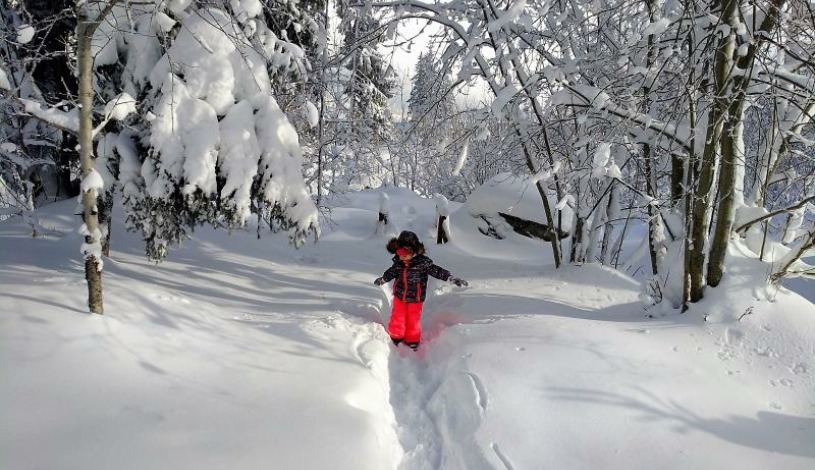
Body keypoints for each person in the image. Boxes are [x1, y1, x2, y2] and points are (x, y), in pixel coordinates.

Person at [374, 230, 468, 350]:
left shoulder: (423, 264)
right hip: (400, 296)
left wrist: (450, 278)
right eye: (399, 253)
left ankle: (412, 341)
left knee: (413, 320)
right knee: (398, 317)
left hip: (416, 298)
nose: (401, 257)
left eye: (404, 253)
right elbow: (391, 273)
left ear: (413, 251)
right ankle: (396, 337)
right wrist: (383, 279)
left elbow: (437, 271)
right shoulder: (399, 263)